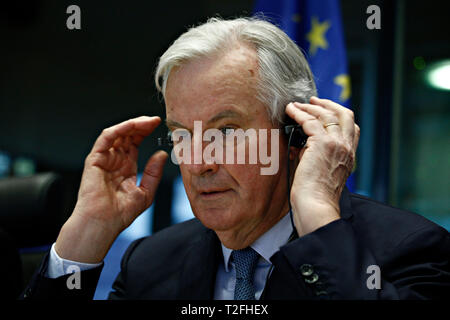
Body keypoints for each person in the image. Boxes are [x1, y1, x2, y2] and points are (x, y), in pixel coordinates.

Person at [21, 17, 449, 300]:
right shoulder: (152, 263)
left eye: (225, 132)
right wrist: (86, 237)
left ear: (296, 135)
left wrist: (317, 213)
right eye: (183, 135)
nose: (198, 163)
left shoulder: (406, 250)